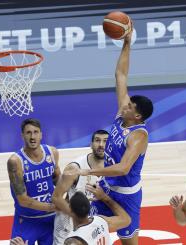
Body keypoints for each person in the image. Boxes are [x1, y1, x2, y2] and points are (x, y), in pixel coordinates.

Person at [78, 20, 153, 245]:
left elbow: (123, 168)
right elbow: (121, 75)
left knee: (128, 241)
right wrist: (127, 43)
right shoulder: (123, 115)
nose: (124, 105)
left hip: (126, 195)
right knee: (85, 229)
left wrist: (89, 172)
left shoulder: (139, 136)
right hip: (106, 187)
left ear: (138, 116)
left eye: (130, 106)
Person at [8, 118, 61, 245]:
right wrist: (53, 207)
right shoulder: (15, 162)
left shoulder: (52, 152)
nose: (33, 137)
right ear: (22, 135)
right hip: (27, 220)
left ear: (41, 134)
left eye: (36, 132)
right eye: (28, 133)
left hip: (50, 219)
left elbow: (58, 179)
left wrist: (68, 197)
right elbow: (23, 200)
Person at [52, 129, 109, 245]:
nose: (101, 145)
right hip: (68, 224)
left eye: (105, 141)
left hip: (89, 223)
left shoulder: (112, 166)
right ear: (91, 144)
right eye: (97, 141)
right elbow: (56, 197)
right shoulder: (74, 168)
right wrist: (75, 215)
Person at [64, 185, 131, 245]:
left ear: (70, 211)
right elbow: (126, 220)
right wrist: (104, 197)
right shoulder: (100, 220)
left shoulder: (73, 241)